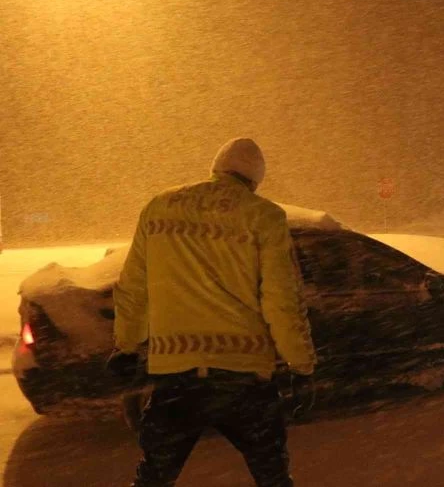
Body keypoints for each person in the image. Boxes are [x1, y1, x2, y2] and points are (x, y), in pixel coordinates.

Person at [107, 137, 316, 487]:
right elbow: (282, 300)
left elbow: (133, 288)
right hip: (243, 377)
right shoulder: (263, 216)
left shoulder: (159, 208)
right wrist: (302, 366)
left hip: (176, 376)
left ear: (216, 168)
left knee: (154, 477)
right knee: (272, 477)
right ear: (254, 181)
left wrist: (126, 345)